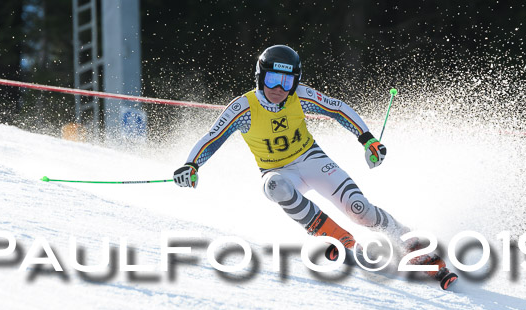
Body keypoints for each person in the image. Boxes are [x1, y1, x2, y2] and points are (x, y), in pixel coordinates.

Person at [174, 45, 457, 289]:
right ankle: (338, 239)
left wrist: (367, 140)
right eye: (272, 79)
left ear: (295, 82)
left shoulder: (300, 96)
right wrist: (192, 164)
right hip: (278, 171)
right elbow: (213, 137)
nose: (278, 89)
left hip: (311, 160)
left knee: (360, 210)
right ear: (260, 78)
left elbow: (337, 108)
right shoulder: (244, 107)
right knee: (275, 187)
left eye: (287, 82)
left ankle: (408, 242)